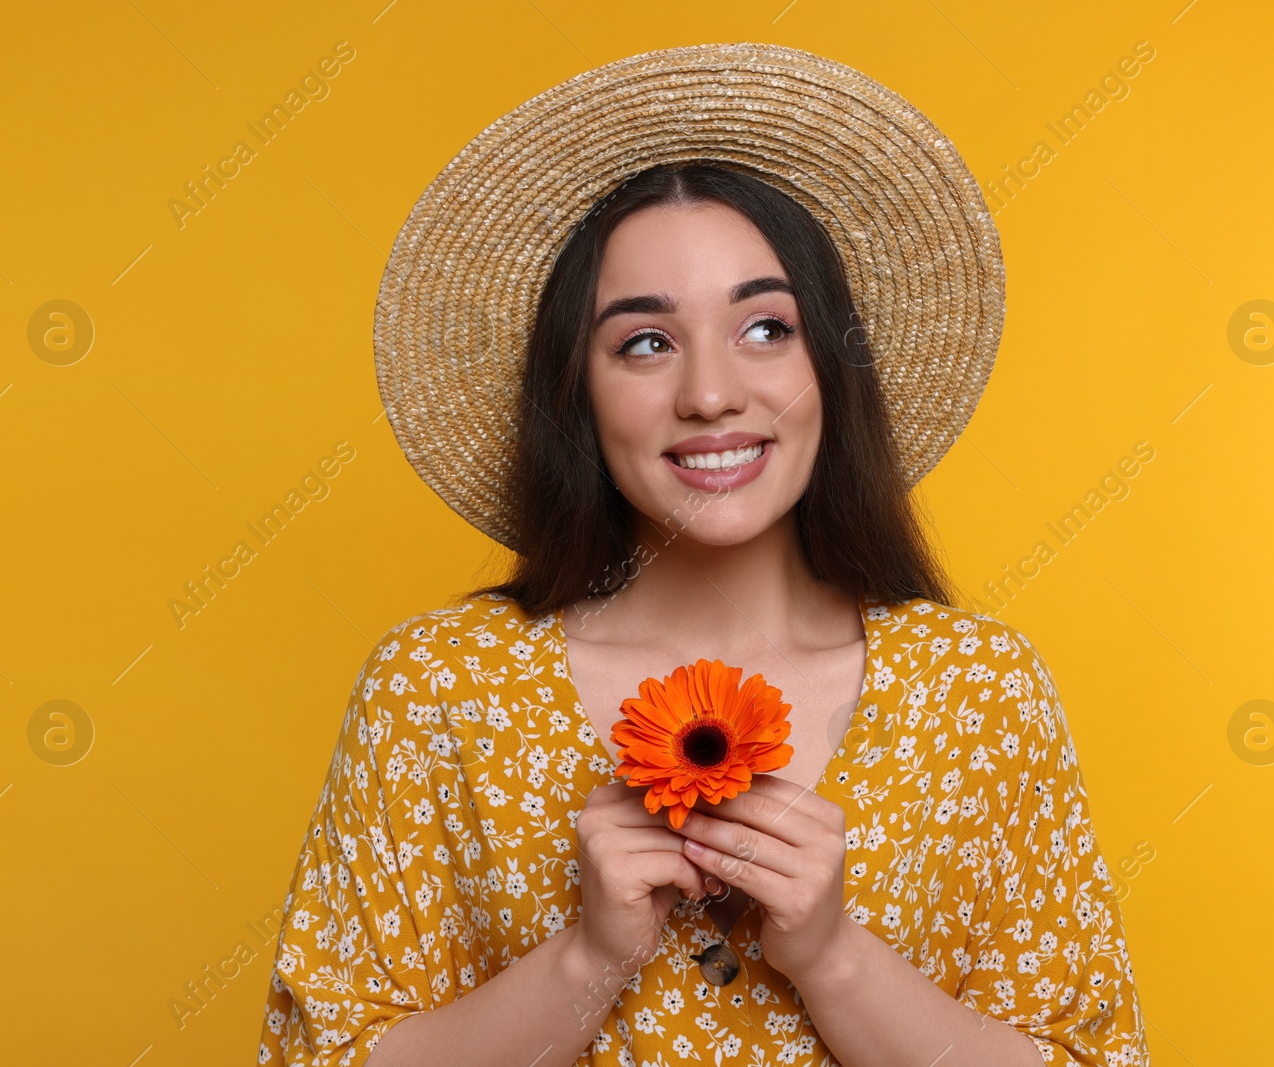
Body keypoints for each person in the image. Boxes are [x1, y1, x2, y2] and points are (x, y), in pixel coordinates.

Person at [258, 43, 1149, 1067]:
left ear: (832, 363)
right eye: (645, 342)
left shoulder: (979, 693)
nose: (712, 393)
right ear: (576, 390)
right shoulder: (440, 689)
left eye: (765, 328)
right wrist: (587, 955)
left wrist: (834, 956)